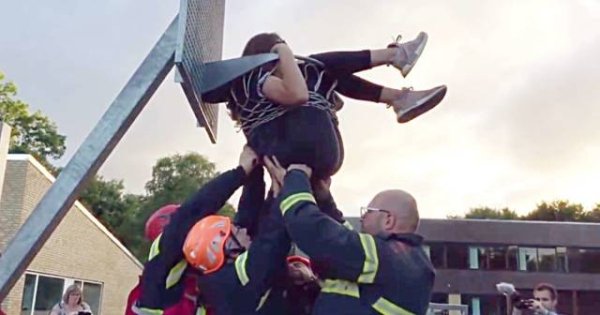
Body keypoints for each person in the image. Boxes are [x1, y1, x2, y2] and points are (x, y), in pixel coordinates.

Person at [228, 32, 447, 182]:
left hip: (308, 154)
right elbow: (299, 95)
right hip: (305, 151)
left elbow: (323, 102)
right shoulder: (255, 80)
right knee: (316, 65)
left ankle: (398, 94)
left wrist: (325, 95)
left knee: (322, 70)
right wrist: (283, 50)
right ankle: (394, 62)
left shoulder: (250, 101)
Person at [264, 156, 435, 315]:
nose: (362, 218)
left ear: (388, 220)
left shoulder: (387, 256)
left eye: (368, 212)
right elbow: (345, 240)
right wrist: (324, 200)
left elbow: (315, 232)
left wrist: (296, 177)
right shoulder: (402, 260)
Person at [133, 145, 260, 314]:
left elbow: (242, 230)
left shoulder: (188, 276)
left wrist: (254, 176)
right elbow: (191, 212)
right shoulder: (160, 277)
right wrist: (241, 172)